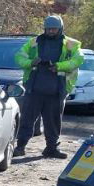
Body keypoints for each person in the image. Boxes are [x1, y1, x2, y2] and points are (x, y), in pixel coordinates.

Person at [13, 15, 84, 159]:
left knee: (53, 121)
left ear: (60, 29)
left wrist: (58, 66)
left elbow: (78, 59)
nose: (51, 31)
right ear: (44, 28)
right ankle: (20, 147)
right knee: (27, 119)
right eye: (48, 28)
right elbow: (19, 57)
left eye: (54, 29)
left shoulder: (70, 44)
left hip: (57, 90)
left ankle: (51, 148)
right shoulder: (34, 42)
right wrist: (31, 62)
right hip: (34, 89)